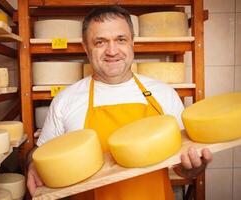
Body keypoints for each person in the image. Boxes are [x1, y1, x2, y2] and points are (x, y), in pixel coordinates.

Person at [27, 6, 212, 199]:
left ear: (132, 42)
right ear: (85, 47)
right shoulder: (66, 100)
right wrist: (32, 163)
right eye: (100, 42)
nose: (112, 51)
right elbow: (41, 152)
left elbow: (182, 166)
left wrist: (192, 169)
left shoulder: (164, 94)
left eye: (121, 39)